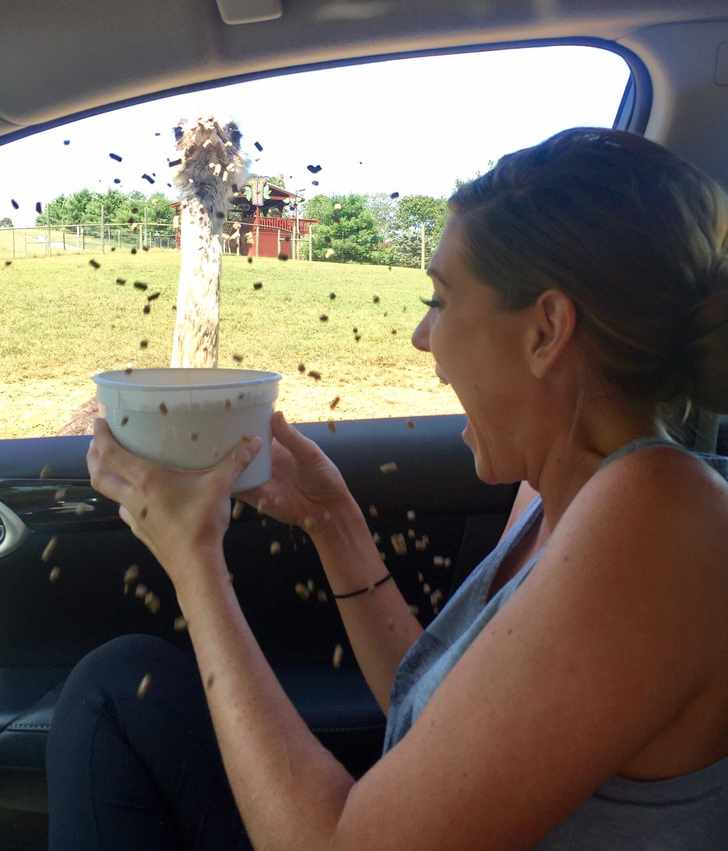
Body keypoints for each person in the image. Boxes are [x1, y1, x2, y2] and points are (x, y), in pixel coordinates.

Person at [47, 127, 728, 849]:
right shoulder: (556, 495)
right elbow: (432, 709)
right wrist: (331, 521)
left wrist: (195, 562)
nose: (420, 336)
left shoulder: (659, 518)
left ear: (546, 331)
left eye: (440, 299)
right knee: (120, 687)